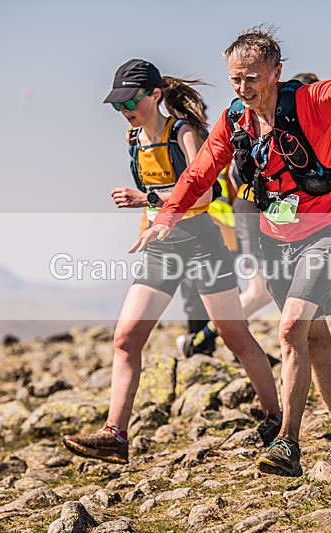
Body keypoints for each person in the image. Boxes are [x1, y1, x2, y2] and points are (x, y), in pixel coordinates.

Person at [139, 9, 331, 476]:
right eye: (235, 79)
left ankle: (288, 444)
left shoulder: (310, 102)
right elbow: (201, 172)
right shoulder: (235, 119)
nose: (243, 87)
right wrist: (169, 213)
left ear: (276, 72)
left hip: (325, 230)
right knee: (314, 338)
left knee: (289, 329)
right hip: (275, 240)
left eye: (252, 78)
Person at [61, 59, 283, 464]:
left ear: (156, 95)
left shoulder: (181, 133)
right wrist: (144, 231)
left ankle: (276, 419)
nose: (125, 111)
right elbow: (157, 197)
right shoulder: (134, 139)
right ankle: (115, 435)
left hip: (202, 244)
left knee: (233, 337)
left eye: (131, 101)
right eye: (117, 105)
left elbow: (204, 195)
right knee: (126, 339)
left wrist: (146, 199)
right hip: (162, 248)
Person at [179, 72, 321, 359]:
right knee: (260, 292)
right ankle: (201, 339)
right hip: (249, 216)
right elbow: (238, 177)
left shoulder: (286, 130)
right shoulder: (266, 129)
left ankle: (232, 344)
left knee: (277, 288)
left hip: (256, 218)